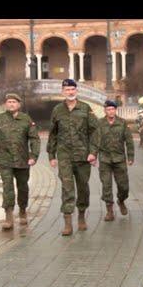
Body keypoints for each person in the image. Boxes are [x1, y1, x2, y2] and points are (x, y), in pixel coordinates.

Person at [47, 79, 98, 235]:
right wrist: (51, 155)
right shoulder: (57, 110)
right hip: (64, 156)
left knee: (83, 187)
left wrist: (93, 152)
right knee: (67, 188)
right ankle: (68, 222)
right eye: (67, 89)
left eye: (72, 89)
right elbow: (53, 134)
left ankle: (81, 216)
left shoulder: (85, 108)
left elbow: (94, 132)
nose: (70, 92)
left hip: (83, 156)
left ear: (77, 91)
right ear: (63, 91)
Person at [0, 93, 40, 230]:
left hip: (22, 160)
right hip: (4, 160)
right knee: (7, 187)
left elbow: (34, 138)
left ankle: (23, 210)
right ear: (6, 104)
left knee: (22, 186)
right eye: (9, 102)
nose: (11, 104)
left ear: (19, 104)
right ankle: (8, 215)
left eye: (14, 102)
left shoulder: (26, 119)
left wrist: (33, 156)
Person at [97, 99, 134, 221]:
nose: (111, 111)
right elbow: (94, 141)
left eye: (112, 109)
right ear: (105, 111)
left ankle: (121, 200)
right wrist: (92, 155)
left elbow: (129, 141)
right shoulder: (100, 123)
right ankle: (109, 210)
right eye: (108, 109)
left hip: (119, 159)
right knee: (106, 185)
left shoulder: (122, 123)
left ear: (115, 110)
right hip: (104, 159)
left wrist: (130, 156)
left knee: (124, 186)